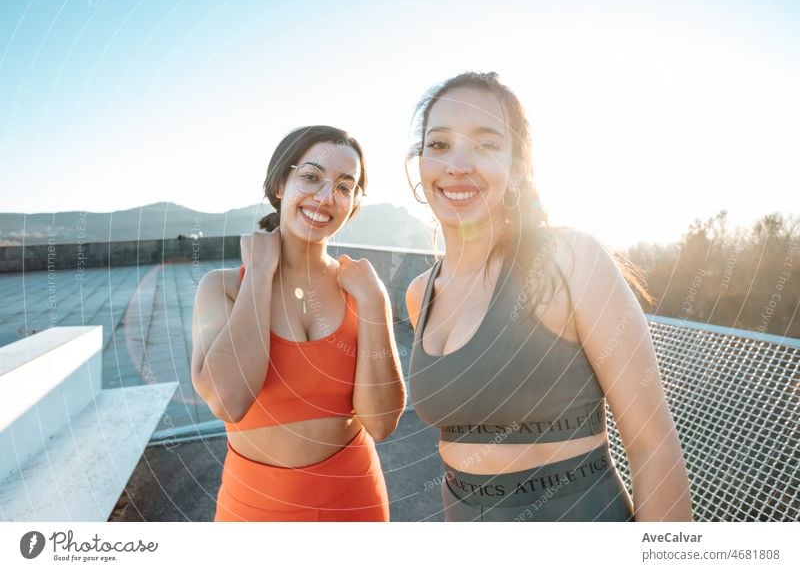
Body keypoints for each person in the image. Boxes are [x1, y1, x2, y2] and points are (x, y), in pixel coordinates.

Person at [405, 72, 692, 522]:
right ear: (420, 162)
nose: (456, 164)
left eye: (485, 144)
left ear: (518, 168)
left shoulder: (569, 260)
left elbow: (652, 445)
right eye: (439, 144)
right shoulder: (420, 294)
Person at [191, 125, 406, 521]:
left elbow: (381, 422)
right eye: (310, 177)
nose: (325, 197)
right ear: (279, 185)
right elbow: (228, 400)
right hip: (254, 508)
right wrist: (258, 274)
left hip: (356, 501)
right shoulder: (222, 289)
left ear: (354, 204)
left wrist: (375, 303)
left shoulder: (360, 292)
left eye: (345, 186)